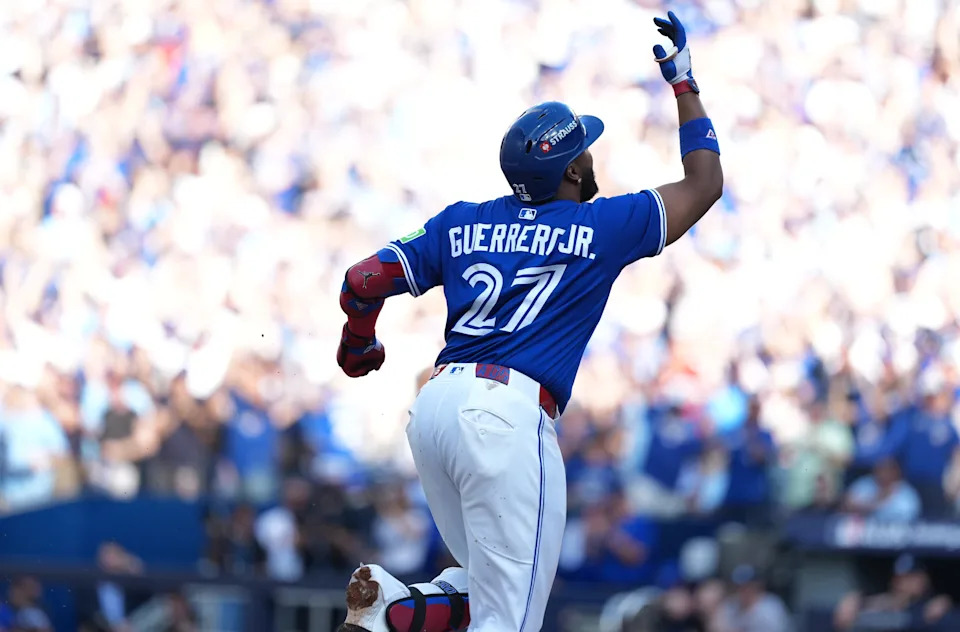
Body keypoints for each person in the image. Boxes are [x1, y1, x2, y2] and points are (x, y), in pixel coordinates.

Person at [335, 10, 723, 632]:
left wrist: (358, 346)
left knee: (482, 587)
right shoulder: (600, 227)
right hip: (507, 415)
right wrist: (683, 81)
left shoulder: (461, 219)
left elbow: (363, 281)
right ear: (570, 171)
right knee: (509, 621)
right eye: (585, 150)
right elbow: (704, 183)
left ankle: (396, 610)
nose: (592, 156)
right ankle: (393, 610)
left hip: (435, 408)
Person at [833, 555, 953, 632]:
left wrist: (946, 603)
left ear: (925, 579)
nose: (907, 583)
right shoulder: (881, 601)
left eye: (913, 577)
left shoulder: (933, 603)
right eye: (903, 578)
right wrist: (855, 599)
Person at [712, 565, 790, 632]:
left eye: (747, 586)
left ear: (757, 586)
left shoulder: (771, 608)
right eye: (739, 586)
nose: (743, 590)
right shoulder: (731, 605)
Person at [842, 457, 921, 523]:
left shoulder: (906, 492)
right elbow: (845, 506)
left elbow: (909, 518)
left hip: (895, 537)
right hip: (861, 535)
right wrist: (875, 502)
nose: (883, 474)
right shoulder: (865, 484)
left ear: (896, 472)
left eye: (888, 470)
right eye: (880, 469)